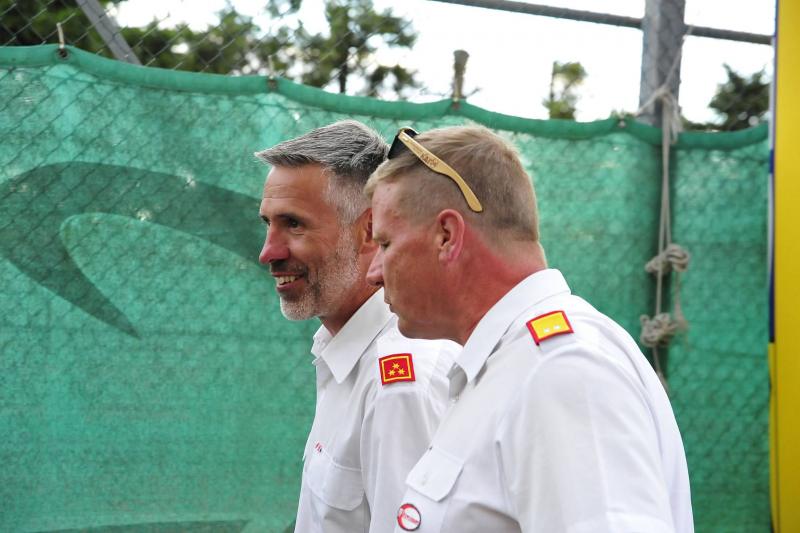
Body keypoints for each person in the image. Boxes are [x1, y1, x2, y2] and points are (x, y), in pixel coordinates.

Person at [364, 125, 694, 533]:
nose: (373, 273)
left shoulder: (561, 368)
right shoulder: (516, 363)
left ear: (446, 236)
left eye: (385, 244)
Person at [255, 120, 458, 533]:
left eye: (293, 224)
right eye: (267, 223)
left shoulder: (400, 384)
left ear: (369, 230)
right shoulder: (346, 352)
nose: (268, 252)